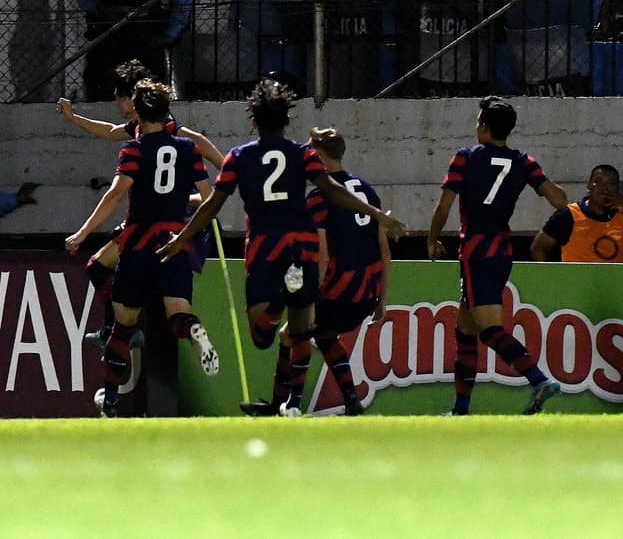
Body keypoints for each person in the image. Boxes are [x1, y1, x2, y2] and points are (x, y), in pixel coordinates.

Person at [159, 80, 406, 416]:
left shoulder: (238, 157)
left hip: (265, 248)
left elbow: (212, 205)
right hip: (302, 248)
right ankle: (288, 402)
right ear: (286, 120)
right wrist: (378, 214)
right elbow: (331, 189)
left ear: (253, 121)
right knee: (302, 329)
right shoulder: (303, 154)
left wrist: (182, 238)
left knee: (262, 335)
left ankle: (279, 325)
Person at [63, 80, 219, 418]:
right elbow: (208, 200)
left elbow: (115, 194)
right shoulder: (187, 149)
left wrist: (82, 231)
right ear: (166, 112)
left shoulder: (134, 150)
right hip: (176, 243)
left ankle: (112, 403)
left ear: (138, 112)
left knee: (123, 326)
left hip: (138, 244)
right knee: (178, 314)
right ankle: (194, 330)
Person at [426, 96, 570, 415]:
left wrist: (432, 239)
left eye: (479, 121)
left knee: (489, 328)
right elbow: (559, 199)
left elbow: (443, 206)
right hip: (502, 250)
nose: (476, 125)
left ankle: (538, 379)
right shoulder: (524, 161)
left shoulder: (464, 157)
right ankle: (460, 411)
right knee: (465, 331)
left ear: (485, 127)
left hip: (476, 249)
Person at [239, 127, 391, 417]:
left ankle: (288, 403)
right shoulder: (367, 191)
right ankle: (351, 401)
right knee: (324, 334)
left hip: (338, 290)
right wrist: (382, 298)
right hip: (367, 294)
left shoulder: (320, 198)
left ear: (319, 157)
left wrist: (311, 295)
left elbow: (320, 255)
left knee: (291, 334)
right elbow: (384, 250)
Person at [530, 164, 623, 262]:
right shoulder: (568, 215)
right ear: (589, 186)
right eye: (598, 182)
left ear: (617, 189)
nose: (604, 188)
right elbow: (538, 248)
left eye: (611, 184)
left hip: (615, 288)